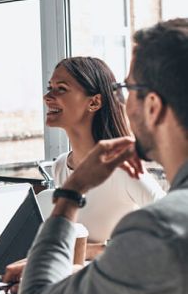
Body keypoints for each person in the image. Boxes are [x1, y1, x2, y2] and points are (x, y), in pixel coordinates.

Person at [3, 18, 188, 294]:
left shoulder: (159, 226)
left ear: (152, 106)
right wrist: (81, 272)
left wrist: (71, 193)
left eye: (127, 89)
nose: (123, 102)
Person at [44, 57, 164, 245]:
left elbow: (175, 227)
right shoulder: (60, 166)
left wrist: (93, 251)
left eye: (61, 88)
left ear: (94, 102)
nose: (47, 97)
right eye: (50, 87)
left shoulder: (122, 168)